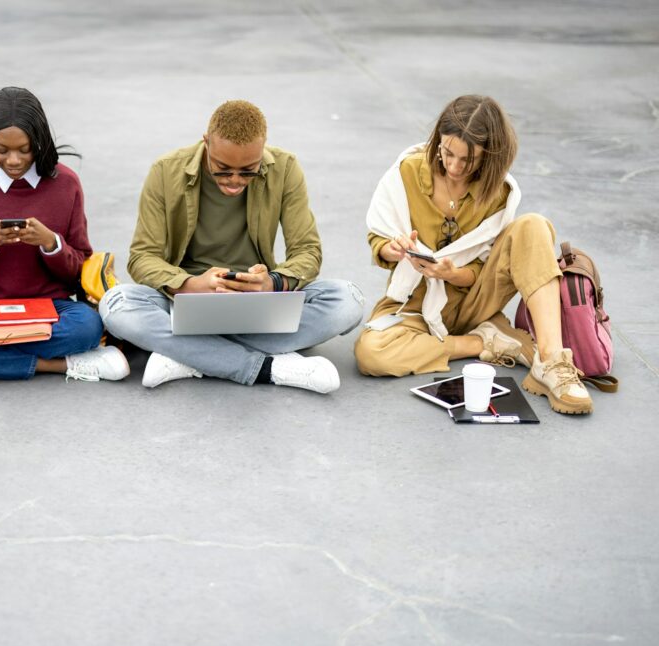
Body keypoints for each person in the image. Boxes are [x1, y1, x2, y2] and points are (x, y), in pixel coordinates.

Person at [98, 100, 364, 392]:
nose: (235, 181)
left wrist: (272, 283)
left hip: (260, 305)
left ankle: (189, 355)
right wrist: (191, 284)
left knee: (347, 299)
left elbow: (307, 251)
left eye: (248, 171)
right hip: (184, 302)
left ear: (262, 151)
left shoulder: (285, 168)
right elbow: (142, 257)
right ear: (206, 143)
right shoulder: (165, 171)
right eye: (222, 169)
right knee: (116, 304)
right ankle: (269, 368)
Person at [354, 94, 592, 415]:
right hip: (414, 305)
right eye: (447, 152)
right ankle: (484, 342)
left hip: (476, 300)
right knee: (371, 353)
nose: (453, 166)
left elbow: (486, 268)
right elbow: (378, 237)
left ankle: (550, 361)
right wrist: (391, 248)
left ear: (489, 157)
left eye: (467, 160)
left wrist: (452, 274)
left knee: (533, 226)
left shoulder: (498, 191)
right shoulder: (407, 172)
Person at [0, 87, 129, 382]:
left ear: (38, 141)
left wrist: (51, 243)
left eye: (24, 149)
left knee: (88, 326)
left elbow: (77, 269)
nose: (13, 160)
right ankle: (61, 365)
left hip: (52, 307)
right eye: (2, 150)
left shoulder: (65, 183)